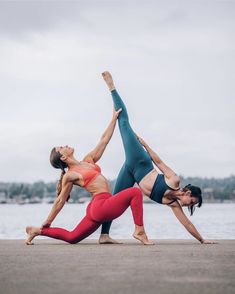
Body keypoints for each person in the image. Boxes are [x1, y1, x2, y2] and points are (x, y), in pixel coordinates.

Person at [99, 71, 216, 245]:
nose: (188, 205)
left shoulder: (173, 203)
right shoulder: (174, 180)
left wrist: (202, 240)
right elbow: (159, 162)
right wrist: (145, 146)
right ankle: (112, 87)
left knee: (113, 204)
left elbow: (187, 223)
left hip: (132, 173)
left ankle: (104, 235)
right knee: (123, 123)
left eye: (191, 206)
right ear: (188, 193)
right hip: (140, 159)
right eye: (191, 202)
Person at [25, 107, 153, 245]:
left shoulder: (88, 160)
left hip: (100, 206)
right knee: (135, 192)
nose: (66, 145)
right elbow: (60, 200)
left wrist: (113, 119)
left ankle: (35, 231)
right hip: (100, 206)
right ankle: (139, 231)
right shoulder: (70, 175)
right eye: (62, 147)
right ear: (63, 157)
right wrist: (48, 221)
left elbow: (104, 140)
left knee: (72, 237)